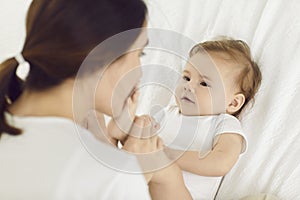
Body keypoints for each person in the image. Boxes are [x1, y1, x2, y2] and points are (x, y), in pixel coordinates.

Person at [0, 0, 192, 199]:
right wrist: (131, 172)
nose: (140, 72)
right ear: (105, 58)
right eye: (139, 53)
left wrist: (159, 173)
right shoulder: (109, 176)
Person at [152, 38, 262, 199]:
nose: (189, 86)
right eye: (186, 78)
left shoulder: (223, 123)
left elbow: (221, 162)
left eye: (204, 83)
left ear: (233, 102)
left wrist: (169, 155)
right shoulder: (166, 113)